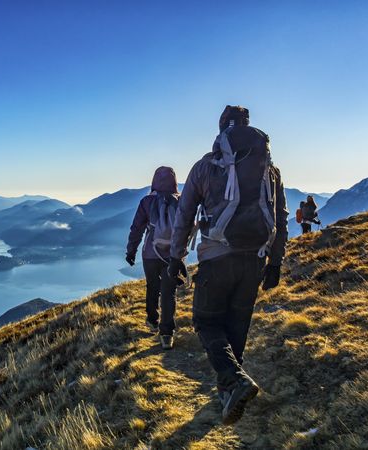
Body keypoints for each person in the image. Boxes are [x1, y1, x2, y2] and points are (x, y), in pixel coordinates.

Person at [168, 105, 288, 425]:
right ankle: (229, 392)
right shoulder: (270, 170)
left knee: (207, 322)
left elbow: (184, 215)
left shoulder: (206, 166)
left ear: (221, 129)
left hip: (216, 258)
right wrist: (275, 262)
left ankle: (234, 383)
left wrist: (176, 257)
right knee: (236, 327)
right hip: (255, 260)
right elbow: (280, 217)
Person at [126, 166, 179, 350]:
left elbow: (136, 228)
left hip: (150, 253)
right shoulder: (180, 201)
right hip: (172, 254)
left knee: (152, 286)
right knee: (168, 292)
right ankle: (167, 334)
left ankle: (152, 320)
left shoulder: (147, 201)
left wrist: (130, 251)